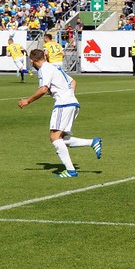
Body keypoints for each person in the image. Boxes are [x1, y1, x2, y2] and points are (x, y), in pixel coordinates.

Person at [17, 49, 102, 178]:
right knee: (60, 138)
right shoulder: (54, 67)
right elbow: (73, 82)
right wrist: (69, 95)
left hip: (64, 104)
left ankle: (71, 171)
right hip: (71, 103)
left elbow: (43, 89)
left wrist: (27, 101)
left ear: (32, 61)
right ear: (44, 56)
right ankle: (92, 142)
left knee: (54, 137)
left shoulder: (44, 69)